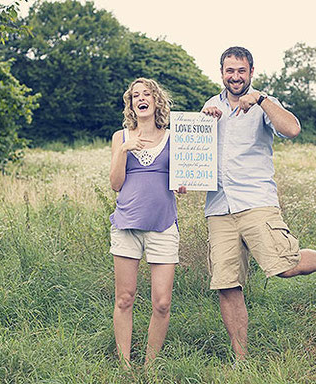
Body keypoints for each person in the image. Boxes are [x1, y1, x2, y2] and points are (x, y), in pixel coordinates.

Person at [201, 47, 316, 361]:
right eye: (229, 71)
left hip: (256, 202)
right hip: (219, 208)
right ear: (221, 72)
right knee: (227, 284)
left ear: (251, 72)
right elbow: (197, 156)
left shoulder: (264, 103)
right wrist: (203, 127)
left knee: (285, 266)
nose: (235, 76)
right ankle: (242, 361)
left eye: (241, 71)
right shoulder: (210, 106)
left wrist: (262, 100)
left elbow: (292, 129)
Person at [109, 78, 185, 368]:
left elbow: (182, 176)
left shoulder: (173, 136)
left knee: (162, 302)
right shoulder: (121, 137)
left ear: (156, 101)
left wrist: (183, 183)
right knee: (125, 298)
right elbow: (116, 184)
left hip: (163, 226)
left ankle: (150, 367)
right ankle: (126, 366)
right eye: (135, 95)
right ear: (131, 104)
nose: (141, 98)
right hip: (127, 225)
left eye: (147, 94)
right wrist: (125, 149)